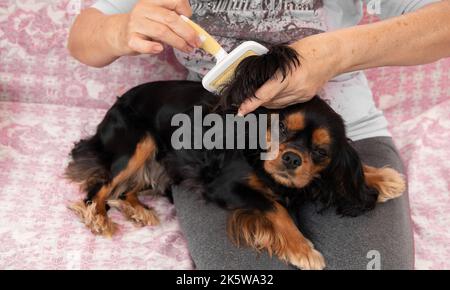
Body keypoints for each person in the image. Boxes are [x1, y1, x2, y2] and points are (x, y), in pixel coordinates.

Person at [68, 0, 450, 270]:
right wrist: (120, 29)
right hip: (211, 135)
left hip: (348, 136)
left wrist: (334, 52)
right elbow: (84, 37)